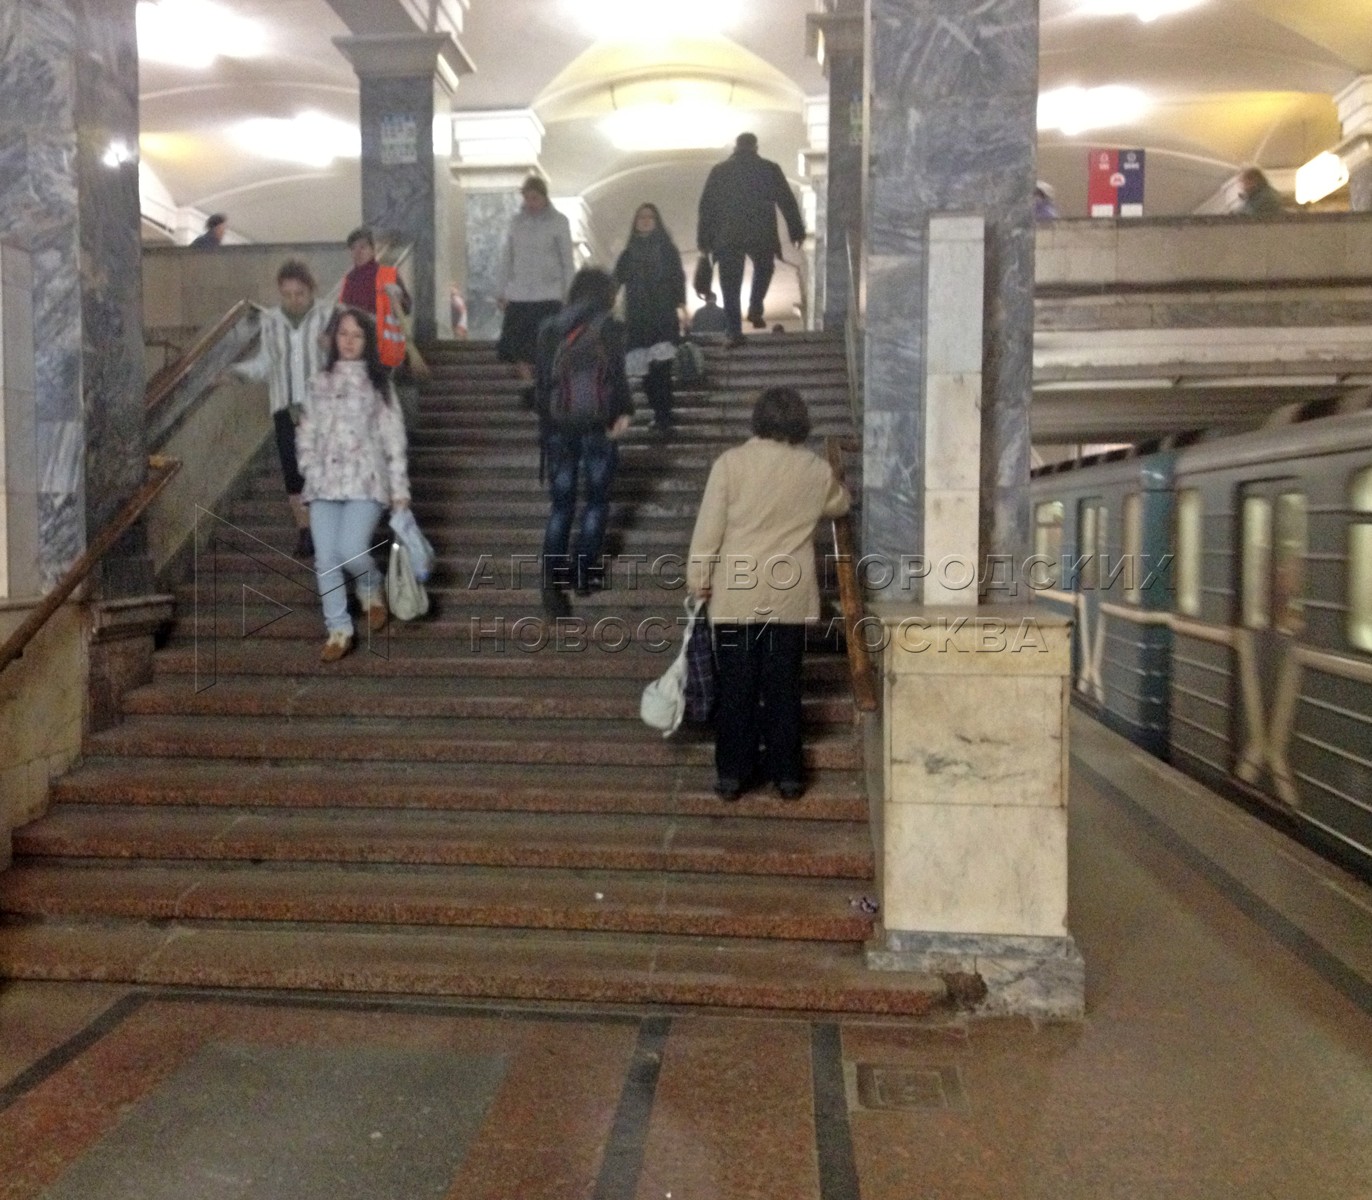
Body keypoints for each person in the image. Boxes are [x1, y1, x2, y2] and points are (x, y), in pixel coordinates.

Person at [687, 387, 850, 802]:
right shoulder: (815, 470)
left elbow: (708, 529)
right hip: (787, 598)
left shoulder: (730, 464)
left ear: (758, 419)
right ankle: (788, 774)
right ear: (801, 422)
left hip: (736, 596)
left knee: (736, 687)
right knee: (782, 687)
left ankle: (733, 774)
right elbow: (840, 505)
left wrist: (698, 577)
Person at [295, 308, 410, 663]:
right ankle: (339, 629)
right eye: (343, 334)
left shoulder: (379, 384)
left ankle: (370, 585)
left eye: (357, 335)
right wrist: (308, 466)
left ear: (367, 341)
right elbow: (306, 431)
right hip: (324, 483)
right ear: (333, 339)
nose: (348, 341)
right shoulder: (318, 382)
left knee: (351, 549)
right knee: (325, 558)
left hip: (366, 480)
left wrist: (400, 489)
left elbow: (393, 439)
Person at [533, 267, 634, 617]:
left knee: (561, 504)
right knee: (596, 499)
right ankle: (583, 573)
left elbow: (542, 382)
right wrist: (624, 412)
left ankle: (551, 580)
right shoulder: (610, 326)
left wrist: (546, 424)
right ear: (606, 294)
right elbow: (617, 375)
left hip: (558, 426)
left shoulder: (550, 327)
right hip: (598, 425)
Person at [229, 259, 333, 558]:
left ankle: (326, 528)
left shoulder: (327, 315)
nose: (293, 300)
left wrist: (331, 347)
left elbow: (344, 359)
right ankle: (305, 531)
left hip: (320, 408)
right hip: (285, 406)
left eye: (299, 293)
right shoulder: (271, 320)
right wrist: (237, 372)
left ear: (310, 290)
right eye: (287, 294)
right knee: (293, 471)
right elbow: (266, 362)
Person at [695, 133, 806, 347]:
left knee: (730, 286)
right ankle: (755, 307)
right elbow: (786, 200)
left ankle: (734, 331)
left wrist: (703, 244)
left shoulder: (719, 171)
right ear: (756, 147)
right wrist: (796, 231)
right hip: (761, 233)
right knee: (765, 269)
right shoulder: (769, 169)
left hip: (728, 236)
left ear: (735, 147)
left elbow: (706, 208)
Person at [497, 175, 577, 407]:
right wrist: (501, 290)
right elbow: (507, 258)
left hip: (549, 294)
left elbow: (567, 261)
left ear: (544, 197)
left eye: (535, 198)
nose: (531, 203)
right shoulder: (515, 223)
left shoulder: (559, 222)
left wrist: (569, 293)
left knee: (546, 346)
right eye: (527, 198)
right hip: (520, 294)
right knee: (517, 347)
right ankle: (528, 386)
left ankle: (544, 386)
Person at [613, 203, 687, 433]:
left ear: (657, 221)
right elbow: (615, 281)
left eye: (650, 217)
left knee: (661, 370)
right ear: (635, 222)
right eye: (641, 217)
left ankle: (664, 415)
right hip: (638, 319)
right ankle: (660, 412)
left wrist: (682, 305)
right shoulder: (628, 253)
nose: (645, 221)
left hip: (663, 316)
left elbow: (678, 277)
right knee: (645, 373)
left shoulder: (667, 250)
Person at [340, 226, 411, 370]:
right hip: (358, 351)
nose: (358, 252)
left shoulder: (388, 275)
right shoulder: (349, 280)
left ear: (373, 250)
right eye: (353, 248)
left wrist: (398, 299)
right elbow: (343, 313)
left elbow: (407, 308)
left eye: (362, 247)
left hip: (383, 351)